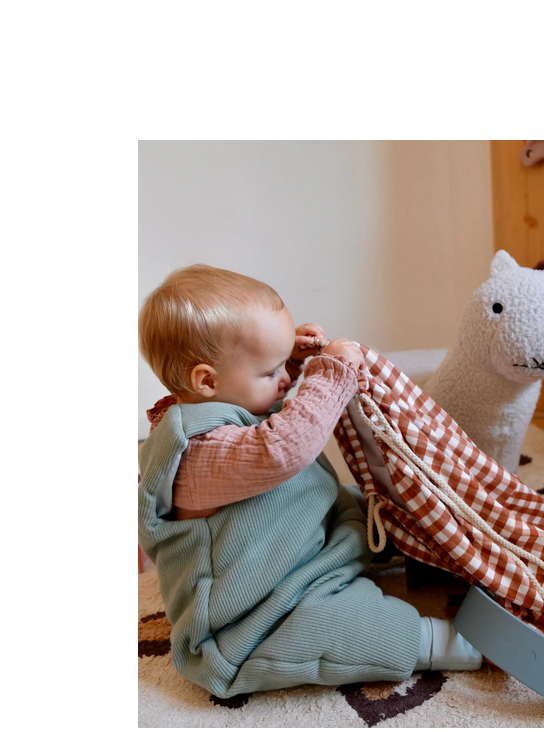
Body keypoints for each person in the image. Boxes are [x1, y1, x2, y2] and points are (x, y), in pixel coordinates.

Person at [138, 264, 481, 699]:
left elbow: (265, 410)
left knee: (380, 505)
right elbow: (282, 449)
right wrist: (331, 373)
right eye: (271, 371)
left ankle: (431, 546)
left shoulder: (228, 397)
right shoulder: (197, 454)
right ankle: (435, 641)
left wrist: (292, 361)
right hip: (257, 612)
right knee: (338, 628)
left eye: (284, 365)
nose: (284, 380)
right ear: (206, 381)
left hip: (307, 539)